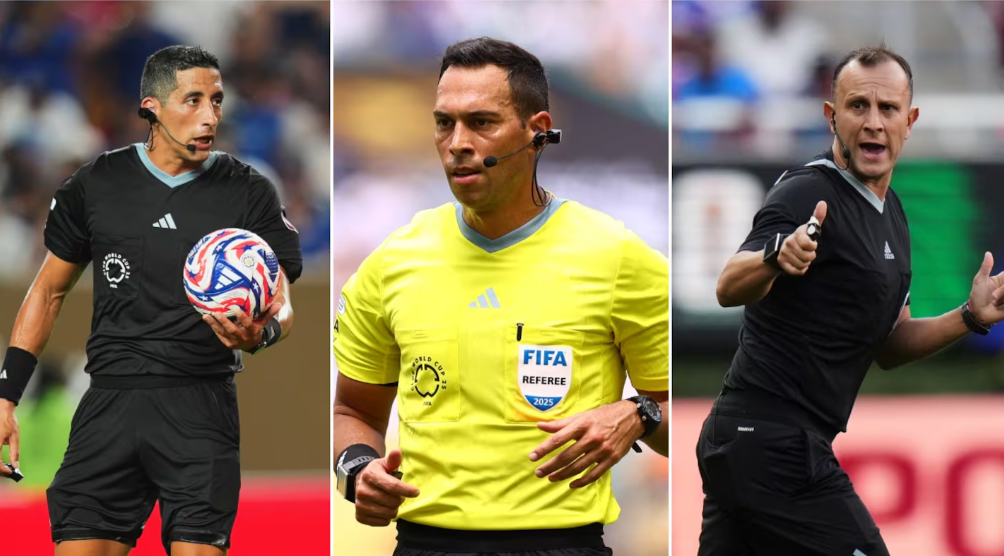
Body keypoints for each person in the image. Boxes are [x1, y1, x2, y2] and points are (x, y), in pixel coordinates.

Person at [333, 37, 668, 556]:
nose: (457, 143)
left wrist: (638, 414)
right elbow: (353, 409)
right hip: (424, 546)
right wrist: (355, 469)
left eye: (481, 122)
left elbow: (686, 420)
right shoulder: (391, 262)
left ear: (537, 130)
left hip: (563, 546)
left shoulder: (618, 256)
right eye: (444, 123)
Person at [700, 45, 1004, 555]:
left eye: (888, 109)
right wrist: (775, 256)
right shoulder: (806, 191)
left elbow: (890, 344)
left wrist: (970, 316)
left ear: (910, 121)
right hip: (772, 441)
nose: (873, 123)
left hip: (752, 441)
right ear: (831, 115)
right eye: (858, 106)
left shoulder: (893, 215)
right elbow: (729, 284)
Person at [0, 45, 302, 556]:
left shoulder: (248, 190)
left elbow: (282, 302)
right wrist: (6, 395)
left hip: (200, 410)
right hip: (109, 406)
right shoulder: (96, 184)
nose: (210, 116)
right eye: (193, 100)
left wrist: (264, 333)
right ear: (152, 107)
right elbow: (48, 291)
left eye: (217, 100)